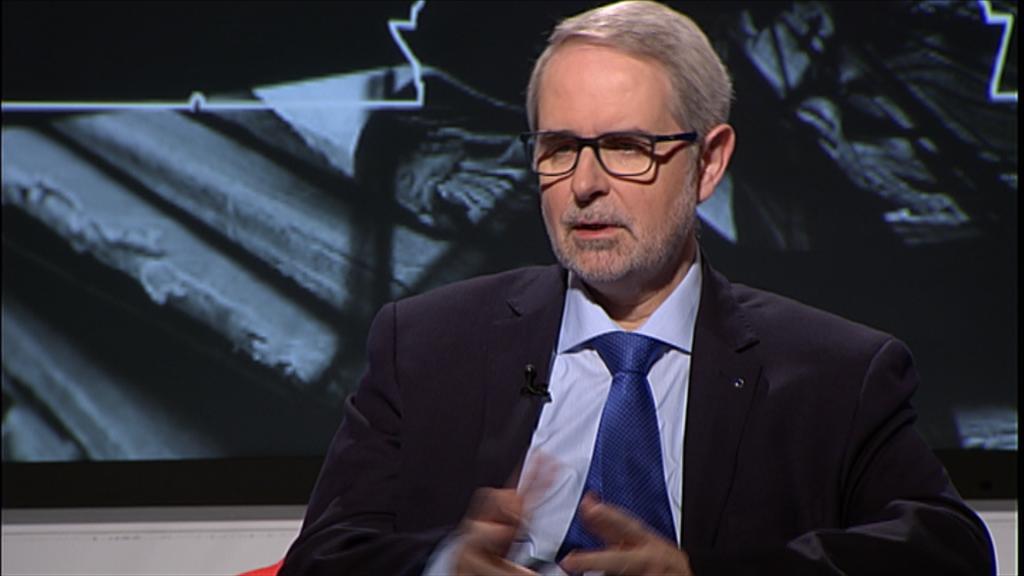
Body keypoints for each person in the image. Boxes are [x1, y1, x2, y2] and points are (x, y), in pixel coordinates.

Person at [279, 1, 995, 574]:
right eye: (560, 148)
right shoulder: (425, 345)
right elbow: (322, 558)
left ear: (709, 163)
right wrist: (443, 567)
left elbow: (948, 553)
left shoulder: (835, 373)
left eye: (626, 148)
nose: (585, 185)